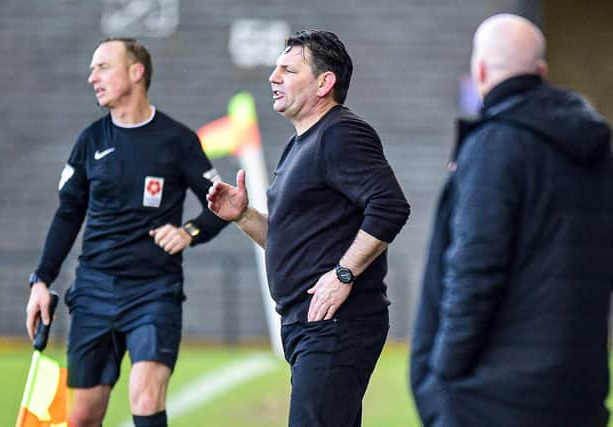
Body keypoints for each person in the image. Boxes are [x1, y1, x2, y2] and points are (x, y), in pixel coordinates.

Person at [410, 13, 613, 427]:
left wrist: (443, 372)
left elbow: (474, 270)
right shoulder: (597, 152)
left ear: (480, 71)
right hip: (578, 391)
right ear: (542, 72)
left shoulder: (496, 143)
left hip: (493, 399)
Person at [207, 29, 410, 427]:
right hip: (308, 325)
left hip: (336, 324)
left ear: (324, 82)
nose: (273, 76)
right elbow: (290, 243)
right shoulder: (299, 143)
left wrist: (344, 273)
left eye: (288, 69)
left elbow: (389, 206)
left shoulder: (341, 133)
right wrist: (244, 215)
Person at [25, 37, 228, 427]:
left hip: (154, 290)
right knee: (82, 417)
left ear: (136, 72)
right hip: (94, 290)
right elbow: (68, 215)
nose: (92, 78)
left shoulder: (178, 141)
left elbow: (223, 205)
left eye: (102, 67)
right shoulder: (90, 141)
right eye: (91, 69)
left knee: (146, 397)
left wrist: (189, 231)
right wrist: (41, 280)